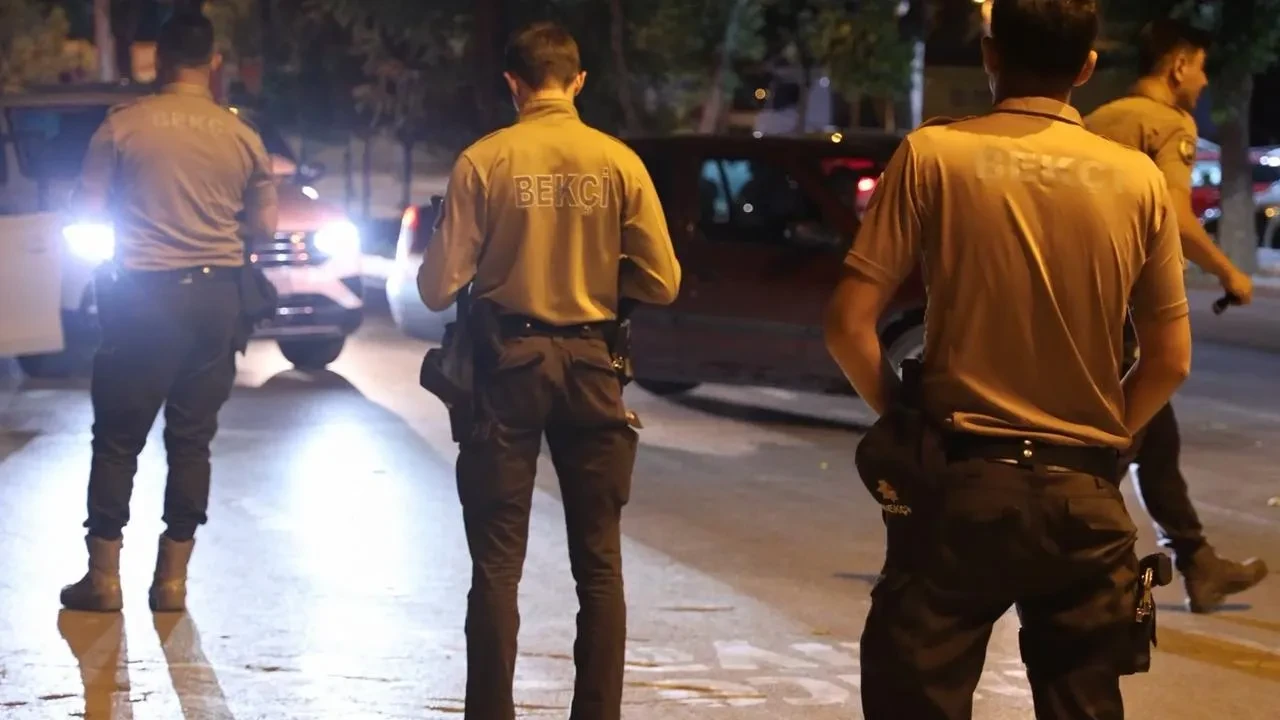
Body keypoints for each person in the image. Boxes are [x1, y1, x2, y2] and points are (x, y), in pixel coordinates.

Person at [825, 0, 1192, 717]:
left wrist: (904, 421)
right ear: (1087, 67)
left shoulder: (934, 155)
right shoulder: (1139, 180)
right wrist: (1106, 436)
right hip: (1082, 498)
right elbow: (1169, 359)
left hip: (960, 485)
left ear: (990, 56)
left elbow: (847, 324)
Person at [417, 22, 680, 720]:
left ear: (513, 83)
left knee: (497, 566)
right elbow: (665, 281)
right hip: (594, 367)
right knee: (599, 564)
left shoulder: (484, 161)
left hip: (507, 368)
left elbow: (437, 288)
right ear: (578, 80)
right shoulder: (618, 162)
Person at [60, 11, 277, 614]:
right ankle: (172, 581)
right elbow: (263, 226)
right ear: (214, 64)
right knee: (191, 440)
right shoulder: (242, 136)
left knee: (117, 439)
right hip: (214, 300)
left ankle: (102, 578)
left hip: (141, 298)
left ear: (157, 62)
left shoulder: (122, 127)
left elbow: (90, 208)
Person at [1085, 18, 1268, 614]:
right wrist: (1228, 271)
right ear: (1179, 65)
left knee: (1155, 441)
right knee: (1114, 441)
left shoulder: (1100, 119)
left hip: (1080, 296)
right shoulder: (1169, 124)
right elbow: (1175, 215)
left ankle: (1198, 563)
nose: (1205, 80)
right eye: (1203, 67)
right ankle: (1060, 550)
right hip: (1125, 308)